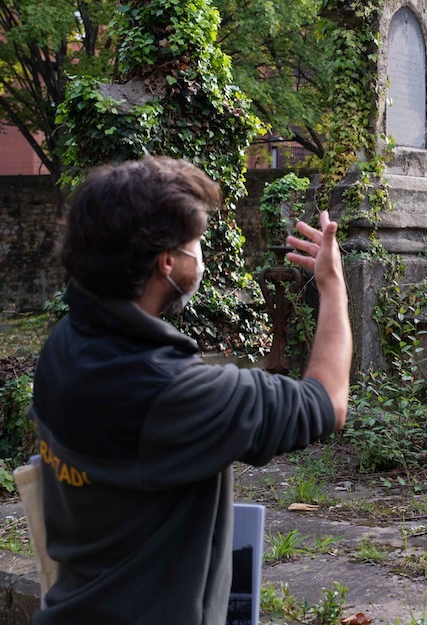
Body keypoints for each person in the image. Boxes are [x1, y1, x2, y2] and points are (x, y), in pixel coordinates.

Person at [29, 156, 351, 624]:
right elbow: (326, 402)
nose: (200, 255)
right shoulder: (173, 392)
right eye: (195, 243)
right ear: (166, 262)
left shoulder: (65, 346)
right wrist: (332, 285)